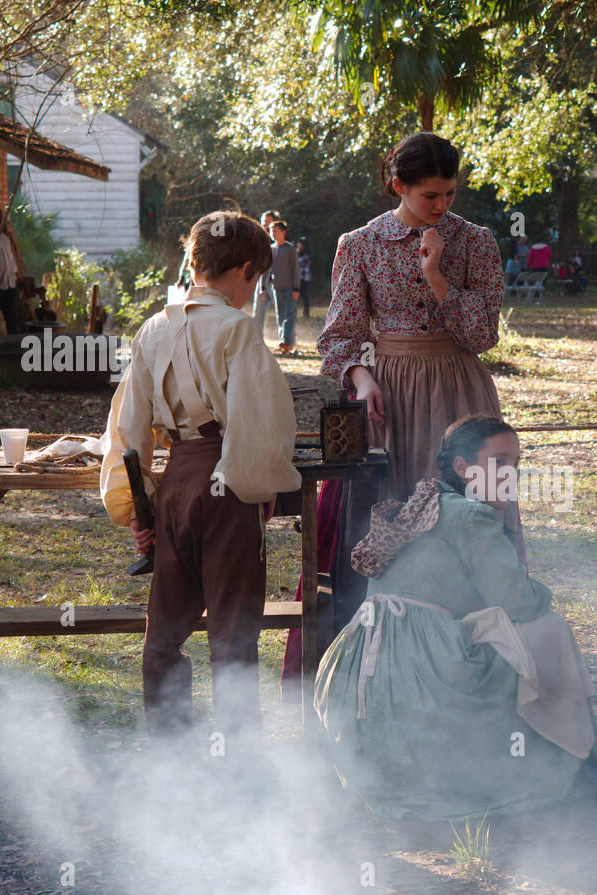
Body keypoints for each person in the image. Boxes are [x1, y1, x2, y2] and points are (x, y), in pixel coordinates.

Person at [281, 131, 513, 697]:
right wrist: (360, 376)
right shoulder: (359, 243)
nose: (442, 206)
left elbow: (483, 335)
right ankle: (383, 670)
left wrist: (437, 278)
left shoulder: (475, 242)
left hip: (460, 392)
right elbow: (338, 338)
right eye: (430, 195)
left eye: (451, 194)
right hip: (392, 397)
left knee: (465, 516)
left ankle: (471, 670)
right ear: (397, 185)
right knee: (391, 522)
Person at [313, 415, 597, 820]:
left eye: (516, 465)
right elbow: (518, 601)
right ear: (462, 469)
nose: (510, 475)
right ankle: (566, 761)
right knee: (548, 630)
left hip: (356, 669)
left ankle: (390, 775)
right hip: (417, 668)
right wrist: (544, 592)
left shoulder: (425, 504)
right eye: (499, 462)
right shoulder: (470, 516)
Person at [100, 211, 301, 745]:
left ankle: (172, 755)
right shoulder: (238, 329)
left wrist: (138, 508)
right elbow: (259, 424)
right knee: (233, 629)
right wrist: (260, 493)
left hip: (179, 481)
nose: (251, 291)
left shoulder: (152, 329)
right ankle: (239, 759)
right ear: (242, 270)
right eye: (254, 280)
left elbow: (128, 432)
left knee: (165, 627)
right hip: (228, 480)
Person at [269, 220, 300, 354]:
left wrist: (296, 288)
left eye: (275, 231)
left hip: (290, 288)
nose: (273, 233)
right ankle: (288, 343)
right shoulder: (271, 249)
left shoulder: (290, 249)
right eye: (271, 231)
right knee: (280, 316)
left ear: (283, 232)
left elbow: (296, 269)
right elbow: (267, 270)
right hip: (276, 288)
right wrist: (264, 288)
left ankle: (286, 342)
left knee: (289, 316)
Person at [252, 211, 277, 332]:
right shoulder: (257, 237)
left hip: (276, 281)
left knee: (281, 312)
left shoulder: (280, 239)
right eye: (263, 221)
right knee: (258, 311)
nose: (265, 224)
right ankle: (256, 335)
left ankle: (286, 340)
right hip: (261, 278)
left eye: (268, 221)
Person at [296, 237, 312, 319]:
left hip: (304, 278)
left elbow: (297, 263)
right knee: (297, 295)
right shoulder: (298, 253)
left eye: (300, 244)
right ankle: (296, 313)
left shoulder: (306, 255)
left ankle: (306, 313)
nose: (298, 246)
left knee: (304, 295)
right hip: (298, 278)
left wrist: (296, 253)